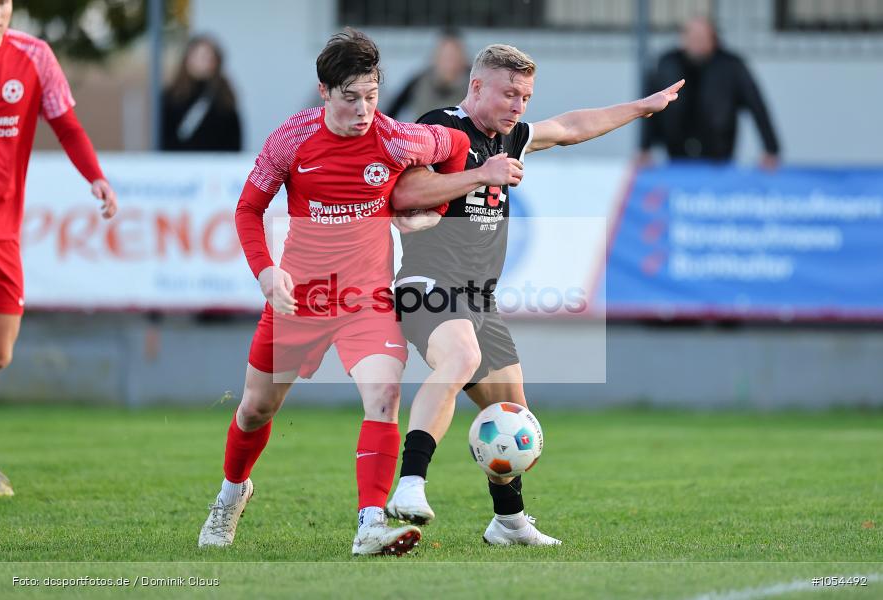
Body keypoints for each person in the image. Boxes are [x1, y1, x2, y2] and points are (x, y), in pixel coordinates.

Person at [196, 28, 522, 557]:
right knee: (255, 408)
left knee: (385, 394)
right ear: (324, 91)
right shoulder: (291, 139)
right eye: (350, 98)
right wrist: (264, 271)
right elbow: (248, 209)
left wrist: (431, 211)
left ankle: (370, 521)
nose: (364, 110)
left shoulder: (395, 136)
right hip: (300, 297)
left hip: (366, 300)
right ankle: (232, 491)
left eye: (371, 95)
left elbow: (458, 144)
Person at [383, 44, 682, 545]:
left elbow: (569, 128)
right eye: (509, 94)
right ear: (476, 87)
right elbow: (405, 195)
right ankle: (411, 483)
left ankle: (508, 522)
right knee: (460, 357)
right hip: (427, 284)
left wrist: (639, 108)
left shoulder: (510, 137)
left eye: (525, 96)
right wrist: (481, 174)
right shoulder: (442, 127)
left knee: (512, 418)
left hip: (479, 298)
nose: (519, 106)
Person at [0, 0, 118, 497]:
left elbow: (66, 125)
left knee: (1, 350)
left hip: (4, 229)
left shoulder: (35, 56)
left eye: (2, 1)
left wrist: (96, 178)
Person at [638, 16, 779, 167]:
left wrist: (770, 148)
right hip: (677, 153)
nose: (697, 43)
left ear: (714, 39)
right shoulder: (667, 64)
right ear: (683, 38)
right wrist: (644, 148)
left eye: (702, 38)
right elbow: (651, 106)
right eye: (693, 37)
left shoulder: (731, 65)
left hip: (719, 152)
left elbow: (756, 105)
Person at [161, 35, 242, 152]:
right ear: (187, 59)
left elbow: (234, 140)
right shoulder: (170, 96)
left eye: (209, 57)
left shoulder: (223, 96)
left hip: (216, 167)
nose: (204, 62)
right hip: (177, 166)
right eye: (199, 56)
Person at [385, 28, 470, 121]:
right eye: (445, 56)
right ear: (435, 57)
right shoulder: (419, 82)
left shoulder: (475, 84)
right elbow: (389, 114)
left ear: (463, 58)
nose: (449, 64)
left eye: (453, 56)